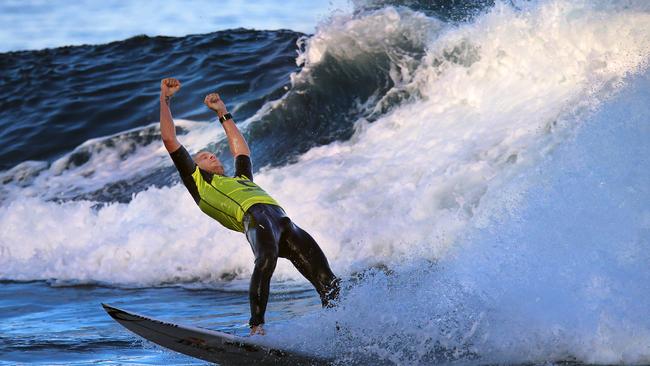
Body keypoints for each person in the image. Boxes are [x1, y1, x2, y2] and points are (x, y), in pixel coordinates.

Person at [159, 78, 340, 335]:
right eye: (202, 157)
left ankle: (342, 330)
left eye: (211, 153)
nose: (210, 155)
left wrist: (223, 113)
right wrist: (165, 98)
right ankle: (256, 328)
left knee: (328, 281)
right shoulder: (200, 183)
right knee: (266, 260)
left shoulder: (241, 179)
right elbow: (169, 139)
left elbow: (241, 152)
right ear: (194, 167)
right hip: (255, 218)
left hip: (285, 222)